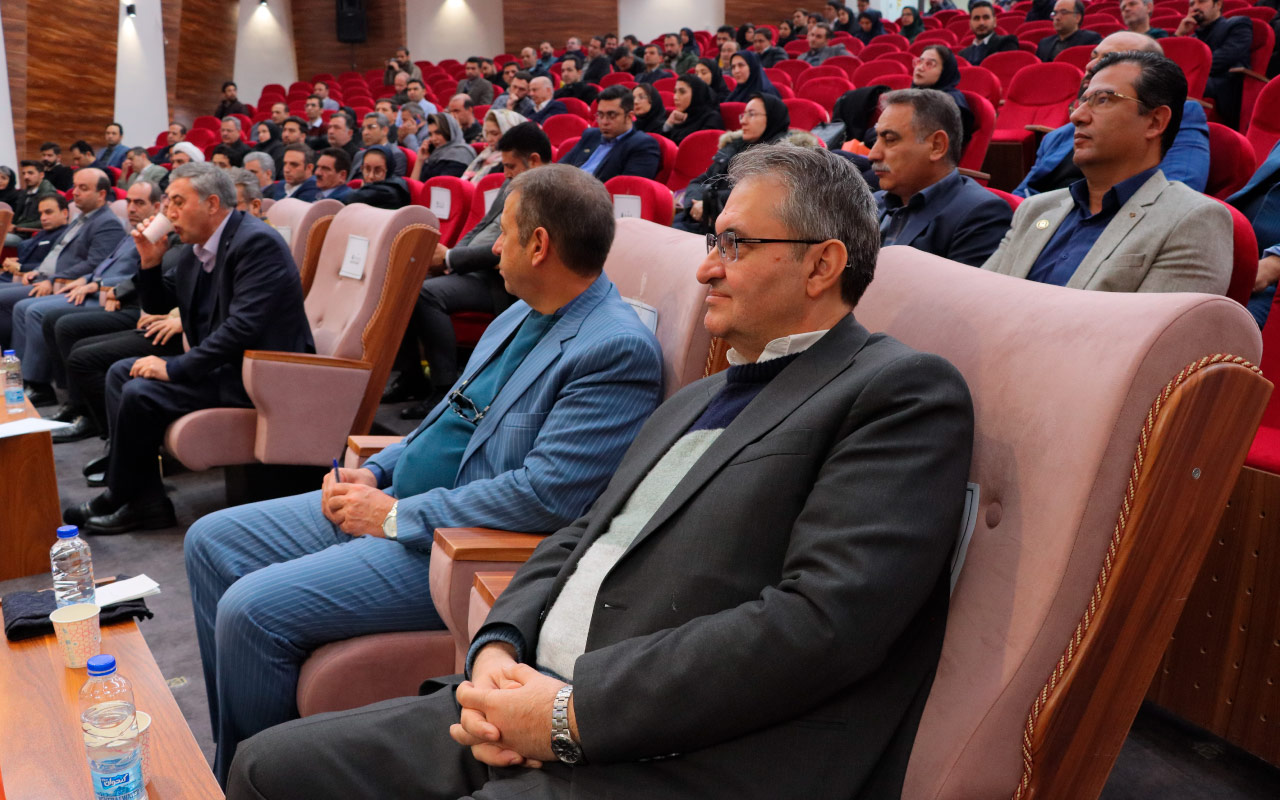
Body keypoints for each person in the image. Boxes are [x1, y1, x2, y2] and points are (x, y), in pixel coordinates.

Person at [224, 141, 975, 800]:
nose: (707, 267)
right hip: (527, 694)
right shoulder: (703, 394)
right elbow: (582, 530)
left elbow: (820, 625)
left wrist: (566, 715)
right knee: (264, 767)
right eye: (713, 240)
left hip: (670, 750)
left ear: (822, 264)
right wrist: (498, 646)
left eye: (736, 244)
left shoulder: (897, 392)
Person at [189, 161, 664, 787]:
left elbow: (547, 495)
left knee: (252, 610)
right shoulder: (519, 312)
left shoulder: (614, 349)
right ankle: (227, 756)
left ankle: (249, 783)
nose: (492, 247)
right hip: (397, 503)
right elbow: (445, 420)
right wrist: (375, 472)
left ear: (539, 245)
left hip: (452, 543)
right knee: (209, 541)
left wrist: (394, 516)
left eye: (504, 232)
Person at [62, 163, 314, 534]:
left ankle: (125, 496)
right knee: (121, 373)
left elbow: (243, 328)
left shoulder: (256, 242)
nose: (169, 212)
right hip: (227, 366)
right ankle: (143, 500)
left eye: (178, 202)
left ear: (212, 204)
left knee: (141, 391)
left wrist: (174, 368)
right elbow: (161, 304)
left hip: (262, 375)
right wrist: (150, 262)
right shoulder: (197, 248)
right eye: (168, 202)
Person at [984, 51, 1230, 294]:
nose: (1077, 116)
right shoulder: (1035, 209)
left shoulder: (1192, 219)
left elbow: (1151, 322)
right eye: (1080, 102)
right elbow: (981, 297)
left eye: (1102, 100)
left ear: (1155, 121)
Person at [389, 123, 552, 412]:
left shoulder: (547, 194)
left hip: (500, 281)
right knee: (403, 282)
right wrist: (452, 258)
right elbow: (480, 226)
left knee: (427, 294)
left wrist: (451, 259)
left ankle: (444, 389)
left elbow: (512, 249)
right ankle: (411, 378)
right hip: (472, 270)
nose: (506, 173)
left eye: (511, 166)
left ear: (535, 161)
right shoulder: (513, 184)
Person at [7, 181, 162, 413]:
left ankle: (61, 396)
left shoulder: (154, 235)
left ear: (157, 206)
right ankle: (60, 393)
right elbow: (104, 264)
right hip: (94, 288)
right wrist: (87, 279)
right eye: (129, 202)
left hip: (115, 298)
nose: (131, 208)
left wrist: (96, 284)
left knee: (43, 314)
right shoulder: (132, 231)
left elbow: (139, 274)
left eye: (139, 203)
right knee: (38, 313)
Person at [1015, 32, 1209, 196]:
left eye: (1109, 59)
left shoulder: (1179, 117)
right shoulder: (1056, 137)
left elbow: (1175, 196)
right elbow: (1022, 195)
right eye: (1093, 57)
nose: (1091, 66)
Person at [0, 169, 127, 385]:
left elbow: (94, 264)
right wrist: (37, 270)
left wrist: (52, 279)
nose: (74, 192)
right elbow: (57, 256)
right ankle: (11, 369)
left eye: (83, 188)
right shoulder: (81, 220)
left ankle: (27, 380)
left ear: (102, 194)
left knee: (19, 305)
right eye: (75, 186)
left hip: (65, 284)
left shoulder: (107, 223)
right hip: (48, 278)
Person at [869, 89, 1012, 266]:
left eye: (890, 139)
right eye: (876, 139)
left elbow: (961, 286)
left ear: (937, 146)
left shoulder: (982, 214)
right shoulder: (872, 203)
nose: (873, 154)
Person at [675, 94, 821, 234]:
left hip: (740, 232)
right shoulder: (734, 146)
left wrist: (708, 205)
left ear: (771, 118)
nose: (743, 121)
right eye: (743, 115)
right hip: (702, 219)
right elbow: (699, 181)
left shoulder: (784, 158)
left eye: (751, 114)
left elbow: (758, 197)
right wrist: (694, 204)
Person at [1175, 0, 1252, 128]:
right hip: (1198, 81)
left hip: (1225, 86)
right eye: (1192, 4)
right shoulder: (1192, 38)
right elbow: (1174, 64)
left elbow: (1226, 57)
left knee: (1176, 85)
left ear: (1218, 4)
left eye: (1201, 1)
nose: (1195, 7)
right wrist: (1179, 35)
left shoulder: (1238, 24)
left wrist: (1192, 72)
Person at [560, 86, 662, 181]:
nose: (604, 121)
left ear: (629, 116)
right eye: (600, 115)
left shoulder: (643, 145)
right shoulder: (591, 135)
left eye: (611, 115)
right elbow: (560, 167)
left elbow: (628, 188)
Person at [2, 194, 67, 283]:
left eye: (48, 212)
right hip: (11, 276)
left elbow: (56, 265)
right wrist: (12, 262)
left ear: (64, 213)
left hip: (29, 280)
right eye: (41, 213)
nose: (43, 218)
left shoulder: (66, 235)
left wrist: (20, 267)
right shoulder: (43, 232)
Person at [462, 109, 528, 185]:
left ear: (509, 133)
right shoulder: (485, 154)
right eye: (486, 133)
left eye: (494, 134)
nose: (489, 139)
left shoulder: (511, 163)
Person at [407, 113, 475, 181]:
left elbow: (441, 185)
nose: (433, 138)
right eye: (430, 134)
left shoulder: (461, 154)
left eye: (438, 133)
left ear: (449, 132)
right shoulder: (435, 154)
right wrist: (420, 160)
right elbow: (413, 184)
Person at [662, 75, 727, 144]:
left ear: (696, 94)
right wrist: (669, 124)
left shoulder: (712, 119)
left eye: (682, 92)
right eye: (675, 92)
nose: (675, 97)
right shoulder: (680, 117)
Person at [6, 161, 57, 245]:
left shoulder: (48, 194)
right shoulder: (25, 192)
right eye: (24, 173)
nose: (26, 176)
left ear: (41, 175)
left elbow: (46, 220)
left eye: (30, 173)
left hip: (29, 235)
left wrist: (18, 227)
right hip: (17, 232)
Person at [1037, 0, 1103, 62]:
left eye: (1063, 12)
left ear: (1077, 18)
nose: (1057, 18)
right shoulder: (1044, 43)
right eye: (1055, 13)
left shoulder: (1091, 40)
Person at [349, 113, 409, 178]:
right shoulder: (359, 155)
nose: (365, 132)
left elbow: (392, 183)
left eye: (371, 127)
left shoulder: (395, 155)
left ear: (384, 130)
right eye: (363, 129)